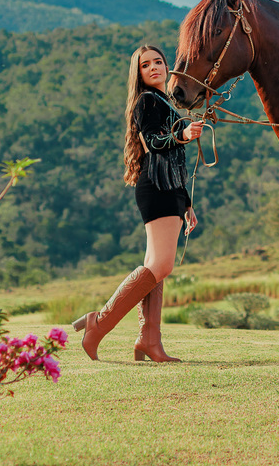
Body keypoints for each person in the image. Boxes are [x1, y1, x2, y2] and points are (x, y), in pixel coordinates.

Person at [73, 44, 205, 361]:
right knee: (162, 265)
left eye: (158, 62)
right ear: (140, 73)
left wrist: (187, 203)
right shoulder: (146, 101)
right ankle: (98, 322)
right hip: (156, 188)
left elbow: (174, 160)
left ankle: (149, 341)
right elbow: (154, 143)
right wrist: (183, 134)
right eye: (146, 65)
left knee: (155, 269)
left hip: (170, 189)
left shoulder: (165, 102)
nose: (155, 67)